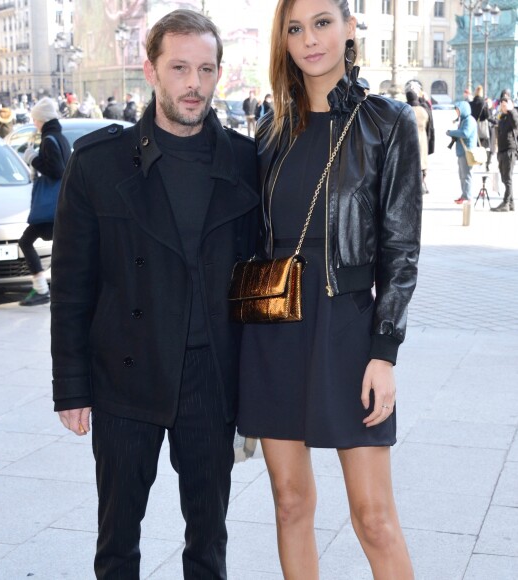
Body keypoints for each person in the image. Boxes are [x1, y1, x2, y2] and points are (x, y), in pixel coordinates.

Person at [50, 9, 258, 579]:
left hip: (210, 378)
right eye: (180, 68)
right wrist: (71, 386)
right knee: (117, 540)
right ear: (152, 70)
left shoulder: (245, 160)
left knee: (208, 541)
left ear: (219, 74)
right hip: (124, 375)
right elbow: (71, 284)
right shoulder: (98, 163)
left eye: (206, 70)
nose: (194, 84)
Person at [237, 1, 422, 578]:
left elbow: (401, 248)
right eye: (295, 28)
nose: (309, 39)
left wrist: (384, 351)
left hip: (345, 328)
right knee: (290, 502)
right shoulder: (269, 133)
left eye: (322, 22)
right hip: (272, 328)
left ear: (348, 28)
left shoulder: (387, 124)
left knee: (373, 516)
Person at [19, 97, 71, 306]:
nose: (34, 124)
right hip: (61, 202)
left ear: (42, 120)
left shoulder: (49, 139)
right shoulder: (60, 137)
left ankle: (41, 288)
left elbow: (56, 170)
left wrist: (33, 159)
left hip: (50, 204)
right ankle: (57, 288)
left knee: (26, 242)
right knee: (61, 245)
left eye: (35, 120)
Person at [447, 100, 477, 204]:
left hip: (467, 152)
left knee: (466, 175)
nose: (457, 112)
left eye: (458, 110)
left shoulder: (469, 120)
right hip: (462, 152)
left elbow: (465, 133)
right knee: (462, 175)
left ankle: (467, 197)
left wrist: (451, 132)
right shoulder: (464, 120)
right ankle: (464, 195)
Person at [491, 97, 517, 212]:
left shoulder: (513, 114)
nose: (503, 107)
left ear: (510, 104)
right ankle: (510, 203)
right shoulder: (503, 116)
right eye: (501, 105)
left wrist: (510, 110)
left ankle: (506, 203)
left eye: (505, 105)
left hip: (510, 150)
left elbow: (516, 124)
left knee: (507, 178)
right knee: (504, 177)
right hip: (502, 151)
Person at [406, 90, 430, 195]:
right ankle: (422, 183)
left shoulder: (407, 110)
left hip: (410, 139)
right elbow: (430, 127)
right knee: (422, 163)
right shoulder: (423, 111)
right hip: (423, 139)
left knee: (411, 164)